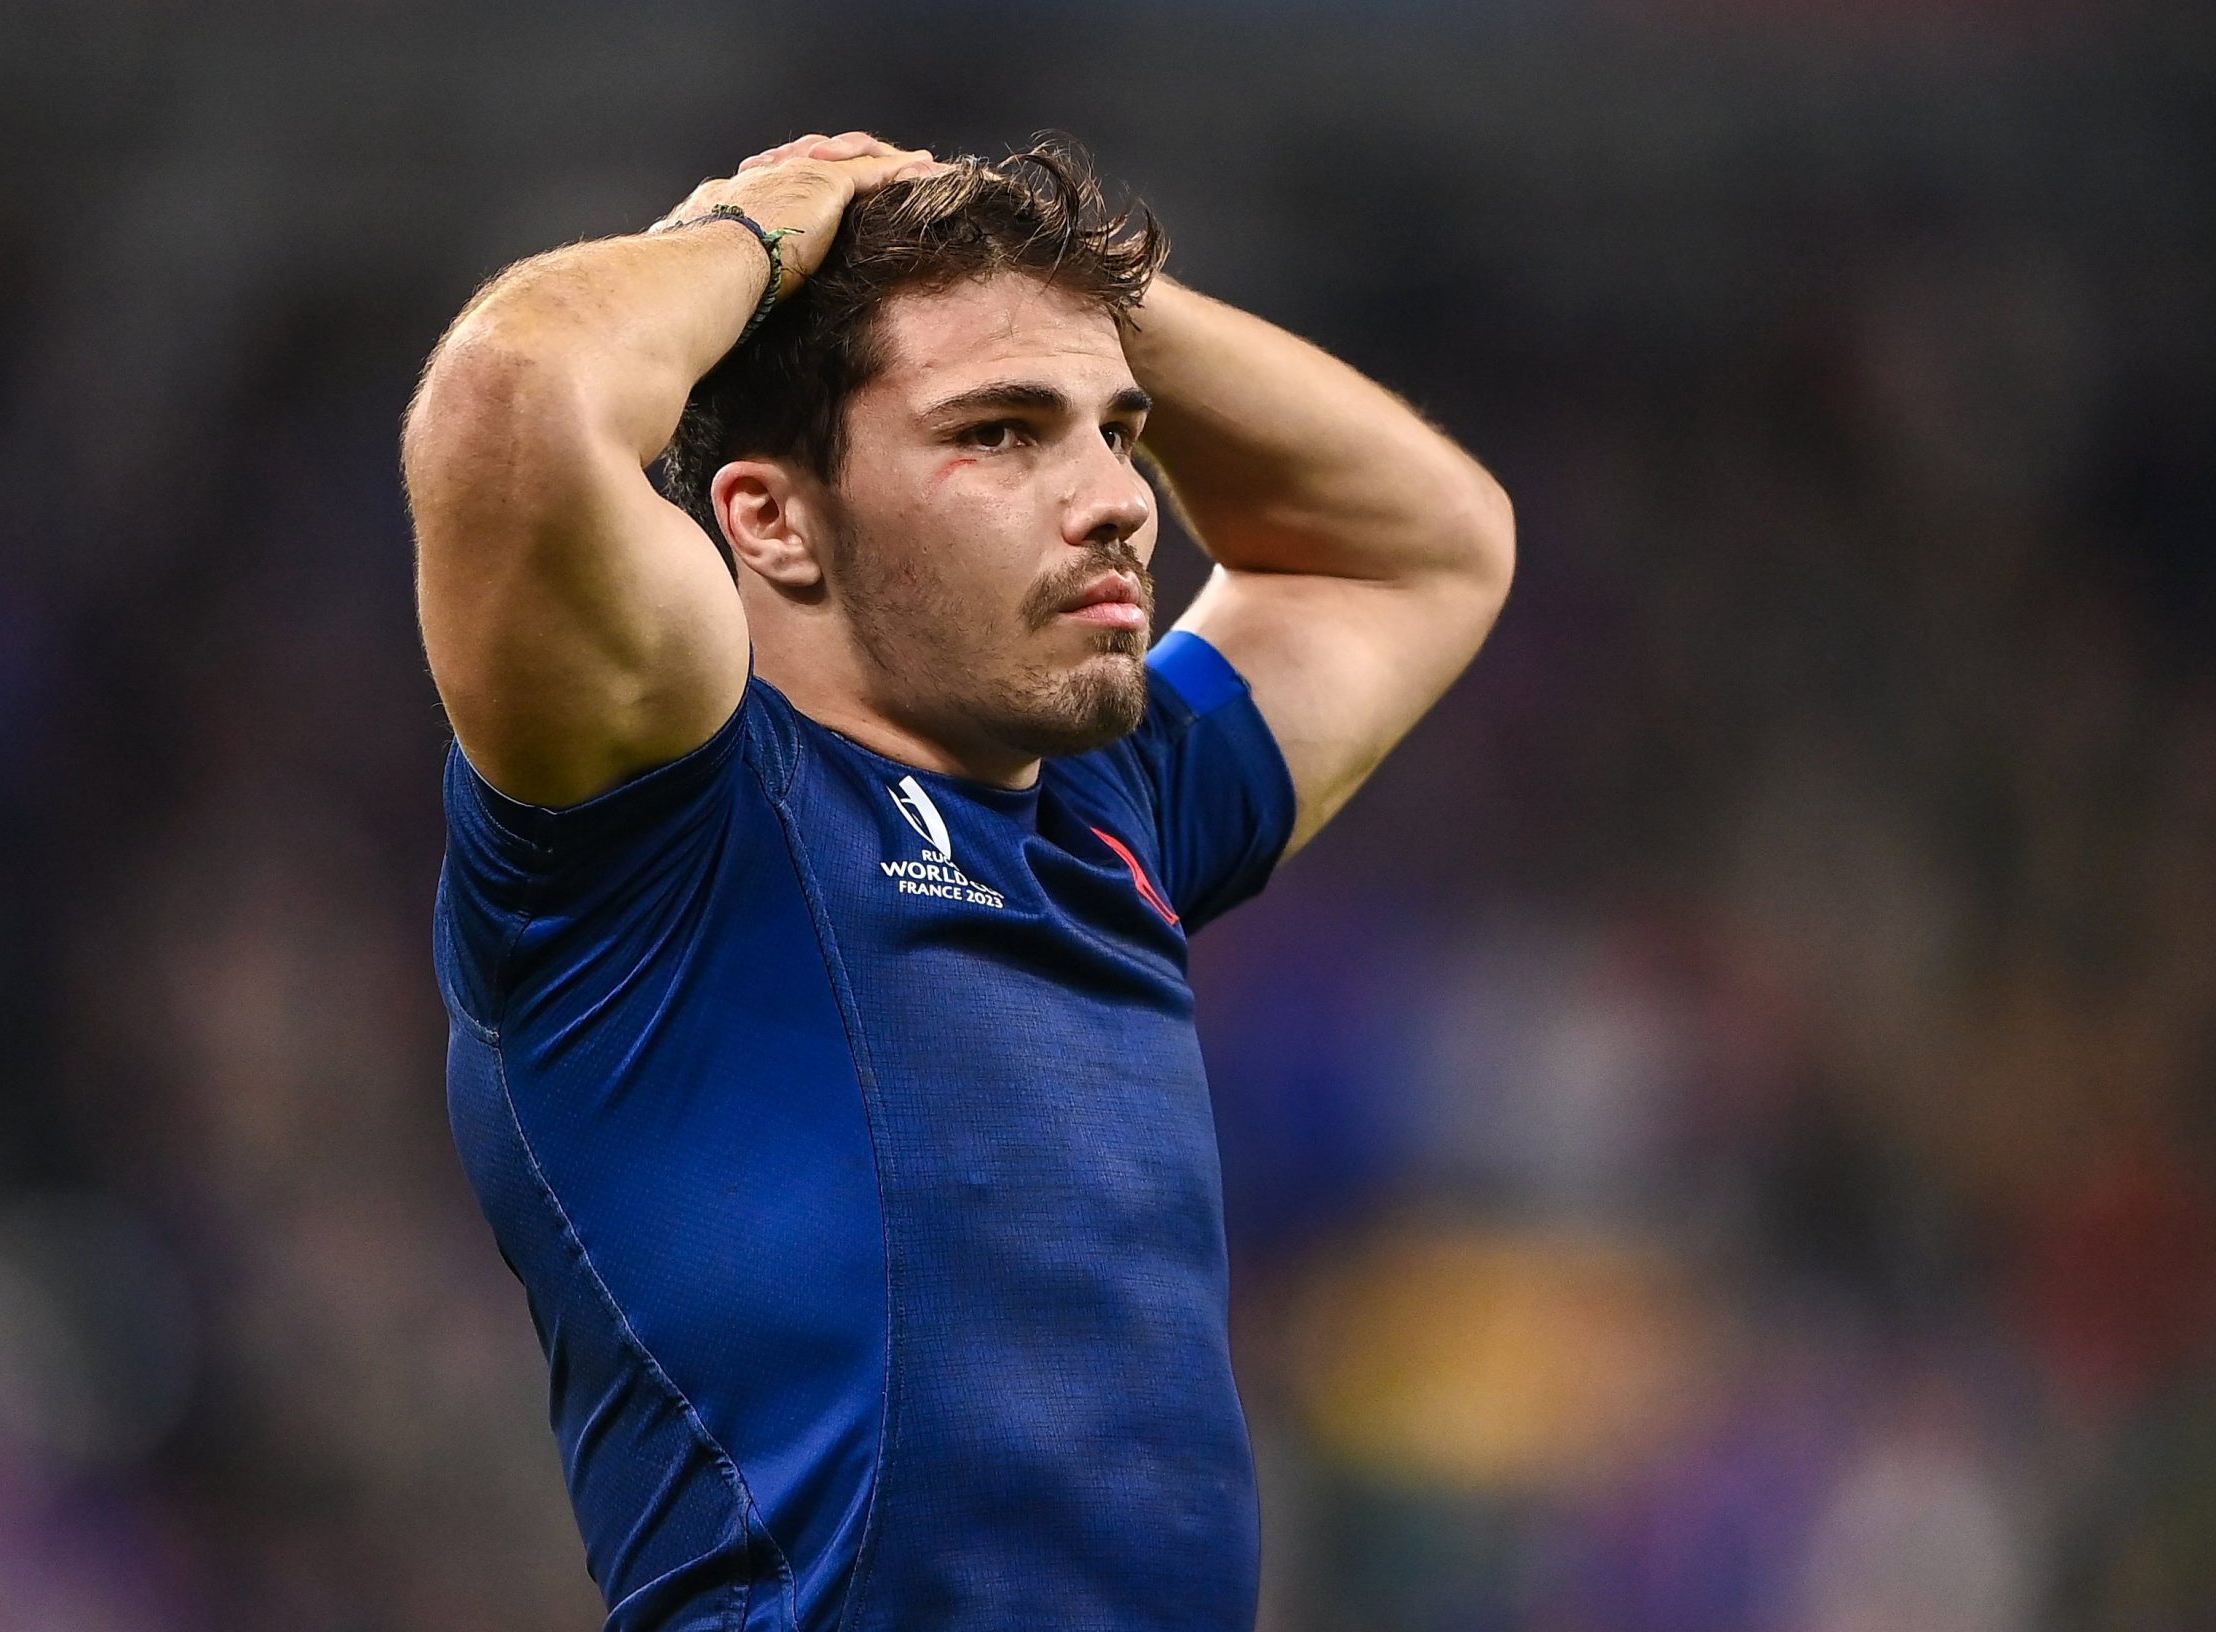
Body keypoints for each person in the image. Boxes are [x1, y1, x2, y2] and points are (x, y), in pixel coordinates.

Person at [404, 130, 1514, 1631]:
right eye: (999, 431)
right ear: (770, 520)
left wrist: (1077, 290)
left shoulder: (1112, 810)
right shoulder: (659, 825)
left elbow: (1424, 545)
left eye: (1117, 429)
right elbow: (507, 405)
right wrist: (765, 230)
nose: (1119, 498)